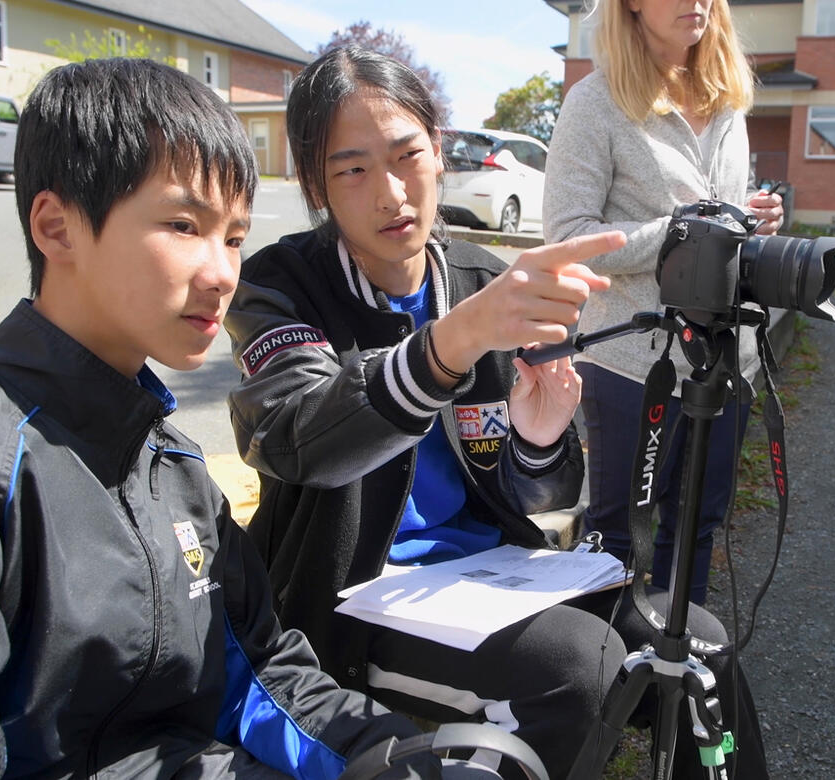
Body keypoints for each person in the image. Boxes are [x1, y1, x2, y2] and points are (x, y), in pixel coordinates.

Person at [225, 45, 769, 779]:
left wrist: (541, 440)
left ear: (438, 151)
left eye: (407, 155)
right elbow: (292, 436)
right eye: (352, 169)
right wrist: (452, 342)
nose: (391, 193)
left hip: (488, 576)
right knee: (577, 667)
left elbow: (543, 493)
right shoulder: (280, 286)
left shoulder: (478, 277)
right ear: (316, 186)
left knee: (697, 638)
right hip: (356, 601)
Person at [0, 57, 431, 778]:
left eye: (233, 237)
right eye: (182, 224)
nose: (223, 272)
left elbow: (259, 675)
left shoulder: (175, 468)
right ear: (56, 226)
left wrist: (390, 754)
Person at [542, 0, 785, 606]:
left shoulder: (730, 103)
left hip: (727, 361)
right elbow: (568, 236)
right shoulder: (596, 101)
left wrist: (754, 220)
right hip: (631, 360)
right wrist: (688, 231)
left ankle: (679, 684)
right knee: (620, 535)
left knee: (698, 528)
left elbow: (723, 222)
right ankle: (604, 683)